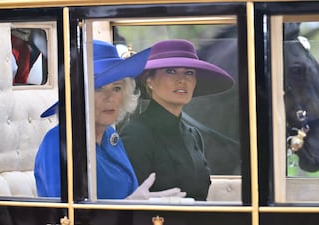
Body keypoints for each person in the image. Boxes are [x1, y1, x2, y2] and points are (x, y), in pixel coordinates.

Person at [34, 40, 185, 200]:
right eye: (98, 88)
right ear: (78, 96)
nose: (110, 98)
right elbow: (68, 215)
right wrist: (129, 205)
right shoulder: (58, 142)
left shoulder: (110, 136)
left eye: (117, 88)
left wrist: (146, 204)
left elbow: (128, 197)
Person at [119, 39, 234, 201]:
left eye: (189, 73)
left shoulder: (193, 135)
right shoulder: (136, 134)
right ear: (149, 81)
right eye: (171, 71)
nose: (182, 80)